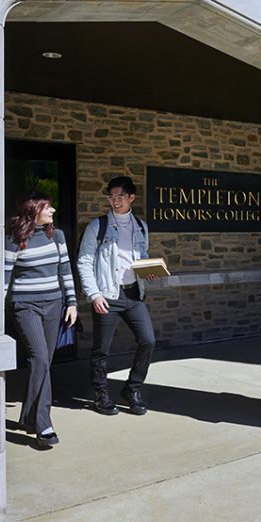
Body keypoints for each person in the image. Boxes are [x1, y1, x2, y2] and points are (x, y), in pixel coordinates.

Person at [77, 176, 157, 416]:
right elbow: (84, 261)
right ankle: (100, 394)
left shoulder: (141, 226)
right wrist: (94, 294)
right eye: (111, 196)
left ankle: (132, 389)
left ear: (131, 197)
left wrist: (148, 269)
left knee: (148, 340)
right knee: (101, 349)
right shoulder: (98, 226)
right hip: (107, 295)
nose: (115, 201)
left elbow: (141, 255)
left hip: (133, 294)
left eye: (120, 196)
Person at [4, 192, 78, 449]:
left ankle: (29, 416)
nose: (53, 211)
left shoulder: (56, 236)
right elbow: (4, 277)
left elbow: (65, 271)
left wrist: (72, 302)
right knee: (40, 358)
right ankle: (43, 425)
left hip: (54, 305)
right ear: (33, 211)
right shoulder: (14, 239)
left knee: (44, 363)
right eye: (48, 207)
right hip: (25, 307)